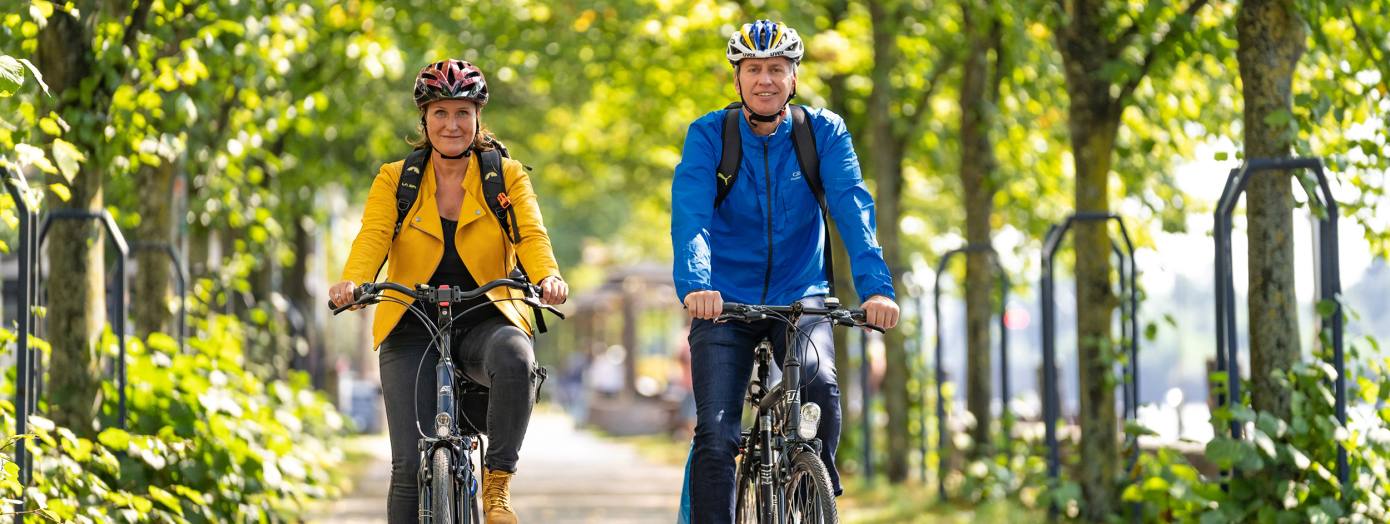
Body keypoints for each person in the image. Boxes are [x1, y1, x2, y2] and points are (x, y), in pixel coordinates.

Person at [669, 20, 901, 522]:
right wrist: (697, 285)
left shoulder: (824, 132)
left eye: (777, 68)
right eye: (754, 69)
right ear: (738, 79)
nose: (765, 80)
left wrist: (877, 290)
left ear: (793, 77)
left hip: (802, 293)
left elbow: (852, 208)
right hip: (724, 300)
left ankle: (813, 490)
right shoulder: (710, 135)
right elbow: (692, 218)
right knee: (716, 434)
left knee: (820, 385)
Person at [329, 59, 567, 524]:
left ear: (478, 118)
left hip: (486, 317)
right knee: (406, 468)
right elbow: (373, 235)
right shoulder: (396, 178)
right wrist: (352, 281)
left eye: (462, 112)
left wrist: (547, 276)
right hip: (411, 321)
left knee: (516, 356)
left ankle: (496, 487)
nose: (451, 124)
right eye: (440, 113)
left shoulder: (507, 176)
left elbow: (531, 236)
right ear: (424, 118)